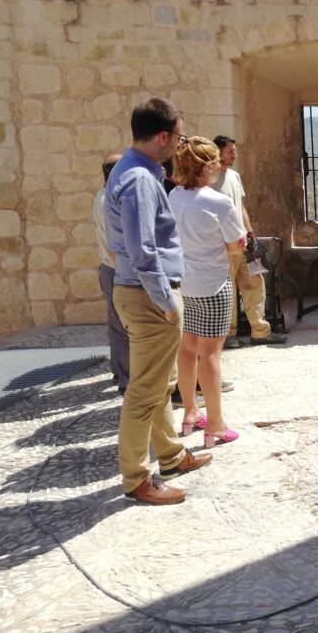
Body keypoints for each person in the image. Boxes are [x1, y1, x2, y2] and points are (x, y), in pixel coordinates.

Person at [106, 97, 212, 505]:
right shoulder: (139, 180)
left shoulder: (137, 171)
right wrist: (166, 299)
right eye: (179, 136)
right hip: (148, 297)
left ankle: (170, 455)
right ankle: (136, 478)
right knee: (144, 392)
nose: (180, 145)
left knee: (159, 384)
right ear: (163, 136)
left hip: (142, 293)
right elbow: (142, 248)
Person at [169, 137, 243, 448]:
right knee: (210, 354)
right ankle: (215, 423)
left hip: (183, 284)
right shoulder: (217, 202)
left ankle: (190, 412)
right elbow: (236, 244)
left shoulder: (173, 196)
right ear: (208, 166)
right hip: (213, 284)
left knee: (187, 349)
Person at [211, 135, 286, 348]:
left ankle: (260, 331)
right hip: (224, 244)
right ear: (218, 152)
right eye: (230, 151)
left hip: (243, 240)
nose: (234, 154)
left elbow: (240, 206)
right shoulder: (211, 179)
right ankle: (228, 334)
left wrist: (251, 232)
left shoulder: (234, 176)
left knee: (255, 282)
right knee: (229, 289)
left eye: (235, 150)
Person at [94, 154, 129, 393]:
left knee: (116, 325)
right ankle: (129, 379)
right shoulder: (113, 201)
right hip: (119, 270)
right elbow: (118, 245)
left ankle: (119, 372)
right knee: (128, 327)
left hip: (108, 268)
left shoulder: (101, 196)